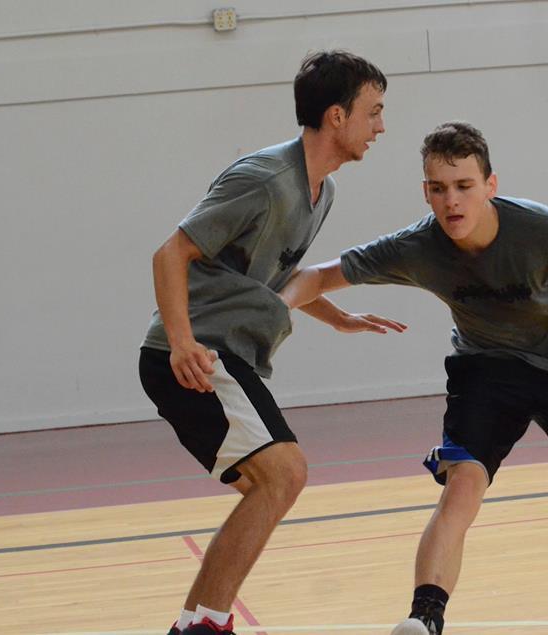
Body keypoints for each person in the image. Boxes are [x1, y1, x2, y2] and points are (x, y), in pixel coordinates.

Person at [279, 121, 548, 635]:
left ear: (490, 185)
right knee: (463, 485)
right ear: (426, 192)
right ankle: (425, 618)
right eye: (438, 189)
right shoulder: (416, 247)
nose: (452, 202)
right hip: (489, 369)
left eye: (464, 186)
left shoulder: (543, 231)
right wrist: (287, 309)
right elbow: (315, 276)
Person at [139, 50, 404, 635]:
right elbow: (170, 254)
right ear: (337, 116)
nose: (381, 126)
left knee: (271, 483)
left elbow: (272, 275)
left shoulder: (321, 190)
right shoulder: (264, 179)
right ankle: (205, 626)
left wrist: (335, 316)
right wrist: (183, 342)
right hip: (198, 353)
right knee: (284, 474)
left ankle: (197, 622)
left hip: (222, 351)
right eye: (374, 112)